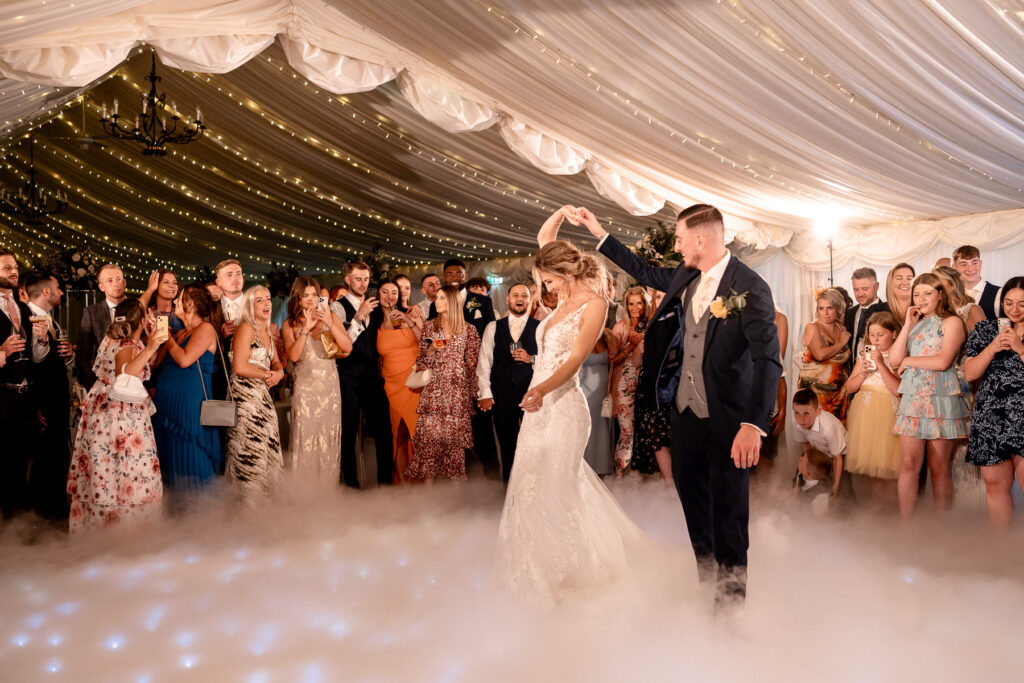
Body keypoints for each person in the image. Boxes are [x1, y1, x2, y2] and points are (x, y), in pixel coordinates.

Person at [585, 203, 782, 608]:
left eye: (678, 238)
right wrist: (600, 233)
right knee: (693, 502)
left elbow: (768, 361)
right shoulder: (685, 273)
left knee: (729, 511)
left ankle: (731, 605)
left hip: (730, 419)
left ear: (700, 239)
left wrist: (753, 425)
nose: (675, 245)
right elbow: (643, 271)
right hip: (686, 412)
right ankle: (706, 580)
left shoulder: (750, 286)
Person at [496, 206, 653, 604]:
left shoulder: (594, 304)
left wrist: (540, 389)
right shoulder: (561, 292)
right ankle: (540, 562)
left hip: (563, 405)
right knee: (531, 482)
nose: (545, 289)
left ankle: (579, 565)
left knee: (560, 485)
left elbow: (574, 361)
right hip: (539, 404)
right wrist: (562, 213)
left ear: (565, 275)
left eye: (548, 281)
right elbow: (544, 239)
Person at [68, 299, 165, 532]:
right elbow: (125, 376)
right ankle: (122, 533)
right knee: (124, 471)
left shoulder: (112, 338)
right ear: (141, 320)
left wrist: (150, 340)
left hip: (102, 410)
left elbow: (138, 363)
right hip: (121, 415)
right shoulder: (127, 342)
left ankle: (95, 526)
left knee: (103, 471)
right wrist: (151, 346)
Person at [890, 273, 970, 518]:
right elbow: (894, 360)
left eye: (927, 293)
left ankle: (941, 525)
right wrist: (907, 326)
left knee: (938, 467)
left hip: (941, 398)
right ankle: (906, 524)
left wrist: (909, 360)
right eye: (917, 294)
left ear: (940, 295)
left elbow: (943, 361)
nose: (921, 299)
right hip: (913, 398)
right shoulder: (914, 323)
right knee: (908, 464)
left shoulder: (952, 322)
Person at [152, 285, 223, 499]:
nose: (174, 303)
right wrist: (153, 337)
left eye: (179, 299)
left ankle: (201, 515)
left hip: (190, 407)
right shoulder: (182, 331)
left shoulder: (206, 328)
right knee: (171, 458)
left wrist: (168, 338)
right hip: (169, 408)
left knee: (192, 453)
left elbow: (184, 360)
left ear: (189, 304)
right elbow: (155, 364)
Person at [963, 277, 1024, 526]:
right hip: (991, 417)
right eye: (1009, 302)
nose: (1015, 309)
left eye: (1022, 303)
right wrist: (992, 348)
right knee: (996, 487)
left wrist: (1020, 349)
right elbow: (970, 374)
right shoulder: (987, 330)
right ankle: (1001, 550)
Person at [431, 258, 498, 479]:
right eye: (449, 274)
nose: (453, 277)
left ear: (465, 277)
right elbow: (436, 338)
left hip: (476, 374)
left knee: (482, 430)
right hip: (450, 377)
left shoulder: (481, 302)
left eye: (458, 273)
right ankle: (465, 479)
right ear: (444, 277)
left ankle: (491, 478)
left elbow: (490, 339)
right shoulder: (436, 304)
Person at [405, 285, 480, 482]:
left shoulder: (469, 330)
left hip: (457, 393)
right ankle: (428, 493)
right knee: (429, 442)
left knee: (454, 445)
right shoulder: (429, 327)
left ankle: (454, 495)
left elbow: (473, 366)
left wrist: (475, 396)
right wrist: (431, 351)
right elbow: (421, 363)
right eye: (437, 298)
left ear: (454, 302)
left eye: (442, 298)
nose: (437, 302)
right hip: (434, 392)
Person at [330, 261, 393, 487]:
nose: (363, 283)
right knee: (348, 432)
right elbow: (339, 344)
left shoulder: (374, 306)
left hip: (373, 376)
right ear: (347, 280)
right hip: (347, 375)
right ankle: (352, 486)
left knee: (384, 431)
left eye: (366, 279)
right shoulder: (337, 307)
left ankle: (386, 485)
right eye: (358, 279)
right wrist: (358, 317)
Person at [0, 248, 51, 520]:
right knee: (4, 467)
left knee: (23, 465)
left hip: (26, 400)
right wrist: (2, 352)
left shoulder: (23, 308)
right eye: (7, 267)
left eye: (15, 266)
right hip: (2, 398)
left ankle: (21, 524)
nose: (14, 271)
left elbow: (37, 357)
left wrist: (42, 341)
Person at [284, 276, 350, 483]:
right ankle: (304, 491)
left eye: (315, 295)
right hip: (305, 388)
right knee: (304, 437)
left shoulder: (331, 318)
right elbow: (293, 356)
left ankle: (327, 489)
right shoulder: (290, 324)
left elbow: (347, 348)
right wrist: (305, 329)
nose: (312, 300)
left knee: (328, 437)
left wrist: (329, 322)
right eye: (306, 295)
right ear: (297, 297)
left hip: (330, 387)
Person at [226, 286, 286, 503]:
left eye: (268, 299)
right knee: (249, 453)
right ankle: (249, 508)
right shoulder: (245, 328)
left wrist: (279, 373)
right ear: (250, 306)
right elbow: (239, 367)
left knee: (267, 449)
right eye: (260, 300)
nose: (267, 303)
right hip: (245, 397)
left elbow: (277, 361)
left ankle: (267, 508)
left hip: (263, 397)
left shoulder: (269, 331)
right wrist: (268, 374)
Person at [24, 271, 75, 521]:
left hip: (57, 401)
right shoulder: (27, 317)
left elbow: (55, 362)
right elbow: (30, 363)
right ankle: (42, 514)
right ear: (46, 292)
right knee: (44, 460)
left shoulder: (51, 320)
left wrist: (68, 355)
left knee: (56, 457)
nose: (62, 293)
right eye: (58, 289)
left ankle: (55, 509)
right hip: (42, 403)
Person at [476, 283, 539, 482]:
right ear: (507, 299)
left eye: (524, 296)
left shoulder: (540, 328)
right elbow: (484, 362)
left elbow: (550, 362)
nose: (519, 299)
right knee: (507, 444)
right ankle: (509, 490)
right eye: (515, 295)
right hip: (502, 395)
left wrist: (531, 359)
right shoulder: (493, 327)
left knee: (534, 443)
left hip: (532, 394)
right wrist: (485, 394)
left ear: (529, 300)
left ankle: (532, 488)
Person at [843, 312, 902, 504]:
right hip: (864, 413)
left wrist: (880, 363)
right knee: (872, 466)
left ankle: (894, 511)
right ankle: (878, 513)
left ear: (894, 334)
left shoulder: (898, 356)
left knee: (891, 467)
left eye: (880, 334)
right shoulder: (864, 356)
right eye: (872, 334)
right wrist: (861, 373)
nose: (875, 339)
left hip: (888, 412)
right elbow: (849, 388)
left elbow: (898, 390)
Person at [375, 279, 424, 483]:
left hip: (413, 383)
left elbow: (426, 342)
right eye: (384, 292)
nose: (389, 296)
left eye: (393, 292)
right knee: (398, 436)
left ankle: (424, 484)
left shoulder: (412, 314)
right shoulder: (373, 320)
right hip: (390, 385)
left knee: (418, 435)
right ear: (378, 295)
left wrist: (408, 320)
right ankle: (403, 485)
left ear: (400, 295)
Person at [631, 289, 674, 481]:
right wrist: (640, 350)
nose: (661, 300)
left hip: (673, 386)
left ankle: (678, 483)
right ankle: (668, 483)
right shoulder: (647, 326)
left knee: (674, 437)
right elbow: (636, 363)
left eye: (666, 296)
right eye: (657, 297)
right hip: (650, 386)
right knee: (656, 436)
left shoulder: (680, 322)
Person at [608, 286, 648, 473]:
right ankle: (621, 474)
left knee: (646, 430)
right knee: (626, 431)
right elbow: (613, 360)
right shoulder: (620, 326)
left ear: (645, 303)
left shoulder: (652, 324)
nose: (635, 307)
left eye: (639, 303)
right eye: (631, 303)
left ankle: (644, 475)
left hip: (649, 381)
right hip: (624, 381)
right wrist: (630, 346)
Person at [798, 288, 850, 420]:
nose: (825, 313)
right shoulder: (812, 327)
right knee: (815, 434)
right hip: (816, 393)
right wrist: (841, 344)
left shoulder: (841, 329)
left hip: (839, 394)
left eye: (830, 308)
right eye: (821, 308)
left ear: (838, 309)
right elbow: (819, 355)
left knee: (838, 437)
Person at [791, 389, 849, 501]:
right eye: (797, 413)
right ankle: (801, 506)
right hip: (817, 451)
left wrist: (835, 488)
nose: (801, 419)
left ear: (818, 412)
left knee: (841, 490)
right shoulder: (796, 423)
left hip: (838, 454)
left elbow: (837, 458)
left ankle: (843, 510)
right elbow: (806, 444)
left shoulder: (827, 427)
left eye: (806, 413)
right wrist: (808, 465)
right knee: (802, 477)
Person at [76, 263, 126, 390]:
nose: (116, 284)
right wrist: (95, 387)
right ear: (101, 287)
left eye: (119, 279)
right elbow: (82, 357)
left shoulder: (137, 308)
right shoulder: (92, 312)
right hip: (103, 385)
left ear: (124, 282)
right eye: (110, 280)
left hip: (133, 382)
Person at [844, 267, 888, 369]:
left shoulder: (887, 311)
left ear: (876, 286)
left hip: (878, 371)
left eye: (865, 289)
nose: (860, 294)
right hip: (853, 371)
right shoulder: (850, 313)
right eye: (856, 289)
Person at [953, 245, 1001, 319]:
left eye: (975, 263)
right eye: (963, 264)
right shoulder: (950, 294)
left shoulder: (999, 293)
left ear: (980, 263)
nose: (970, 269)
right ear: (954, 267)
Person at [792, 448, 836, 516]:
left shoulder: (821, 495)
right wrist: (794, 506)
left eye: (804, 459)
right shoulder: (801, 474)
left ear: (807, 472)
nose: (800, 458)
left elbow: (819, 518)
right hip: (802, 510)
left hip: (813, 518)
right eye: (803, 456)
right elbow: (796, 490)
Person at [139, 269, 184, 333]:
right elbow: (136, 311)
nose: (172, 286)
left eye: (175, 283)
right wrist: (150, 289)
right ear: (156, 285)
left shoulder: (181, 314)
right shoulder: (148, 315)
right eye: (166, 282)